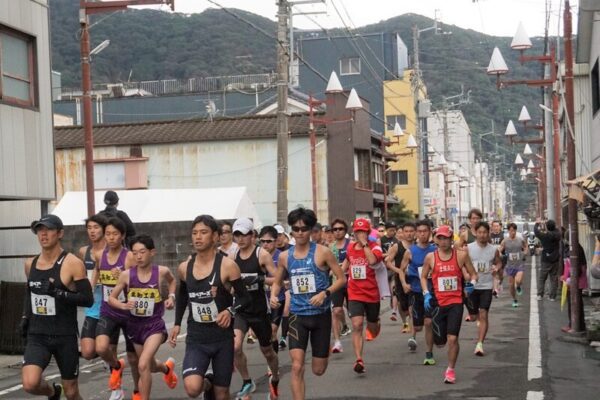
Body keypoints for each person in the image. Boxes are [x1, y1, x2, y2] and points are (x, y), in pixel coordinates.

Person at [169, 215, 251, 400]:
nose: (198, 237)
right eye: (194, 233)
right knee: (192, 388)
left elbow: (245, 298)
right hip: (197, 338)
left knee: (222, 395)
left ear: (215, 237)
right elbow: (182, 296)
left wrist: (230, 311)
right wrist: (176, 324)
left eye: (203, 233)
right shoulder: (184, 268)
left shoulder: (228, 266)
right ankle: (208, 384)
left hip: (222, 338)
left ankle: (214, 386)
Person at [270, 207, 346, 400]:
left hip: (320, 316)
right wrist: (273, 295)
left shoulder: (323, 252)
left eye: (304, 229)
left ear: (311, 230)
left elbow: (341, 279)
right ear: (291, 231)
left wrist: (325, 293)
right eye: (296, 229)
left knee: (318, 369)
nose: (300, 233)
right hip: (297, 316)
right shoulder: (285, 257)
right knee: (296, 366)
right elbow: (277, 281)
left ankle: (324, 351)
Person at [22, 215, 94, 400]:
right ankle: (52, 392)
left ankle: (62, 392)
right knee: (30, 383)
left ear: (60, 233)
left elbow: (87, 299)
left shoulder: (73, 263)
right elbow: (30, 294)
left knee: (71, 392)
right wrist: (25, 318)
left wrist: (57, 293)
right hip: (37, 334)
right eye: (39, 230)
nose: (43, 234)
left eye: (48, 229)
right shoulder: (30, 264)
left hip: (64, 334)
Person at [108, 234, 178, 400]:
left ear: (152, 252)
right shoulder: (126, 275)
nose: (138, 256)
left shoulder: (162, 271)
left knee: (142, 364)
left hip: (154, 325)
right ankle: (167, 369)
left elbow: (172, 281)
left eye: (142, 252)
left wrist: (171, 297)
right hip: (134, 326)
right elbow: (111, 298)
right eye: (134, 253)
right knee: (150, 365)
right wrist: (123, 305)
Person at [230, 217, 281, 400]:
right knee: (235, 347)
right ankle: (246, 381)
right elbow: (227, 281)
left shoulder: (262, 255)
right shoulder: (232, 255)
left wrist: (258, 279)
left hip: (259, 311)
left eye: (244, 234)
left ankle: (274, 378)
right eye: (237, 235)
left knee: (267, 351)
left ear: (252, 235)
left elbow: (278, 279)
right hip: (241, 310)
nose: (240, 239)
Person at [420, 225, 478, 384]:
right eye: (440, 238)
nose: (443, 241)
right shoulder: (431, 257)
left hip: (456, 302)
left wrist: (471, 284)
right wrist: (426, 294)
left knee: (452, 339)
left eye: (446, 238)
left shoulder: (461, 255)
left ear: (452, 239)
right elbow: (424, 277)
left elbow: (473, 274)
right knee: (440, 343)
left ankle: (450, 370)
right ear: (436, 240)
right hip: (438, 303)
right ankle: (439, 345)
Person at [77, 215, 126, 400]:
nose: (92, 231)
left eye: (96, 227)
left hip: (111, 306)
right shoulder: (84, 251)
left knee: (105, 348)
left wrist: (117, 277)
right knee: (89, 352)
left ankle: (116, 387)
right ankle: (113, 364)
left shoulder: (113, 250)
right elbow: (81, 274)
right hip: (93, 306)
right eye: (89, 227)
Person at [94, 218, 140, 397]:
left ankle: (137, 391)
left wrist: (124, 276)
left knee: (134, 358)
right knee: (102, 348)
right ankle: (116, 374)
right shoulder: (99, 255)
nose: (111, 237)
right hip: (108, 309)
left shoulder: (129, 257)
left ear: (123, 236)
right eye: (107, 234)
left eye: (115, 234)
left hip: (128, 312)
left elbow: (141, 281)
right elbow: (98, 273)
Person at [343, 218, 384, 373]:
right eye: (357, 231)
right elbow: (346, 265)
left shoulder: (376, 248)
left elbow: (373, 261)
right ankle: (359, 359)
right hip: (354, 292)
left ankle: (376, 324)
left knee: (372, 327)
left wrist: (365, 244)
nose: (360, 234)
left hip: (372, 293)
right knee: (357, 325)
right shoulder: (350, 248)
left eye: (363, 231)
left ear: (368, 232)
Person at [399, 220, 437, 364]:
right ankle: (416, 334)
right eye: (419, 231)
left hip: (431, 291)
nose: (422, 234)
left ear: (430, 233)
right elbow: (401, 270)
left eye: (425, 231)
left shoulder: (435, 251)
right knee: (418, 326)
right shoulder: (410, 252)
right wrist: (404, 283)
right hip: (415, 291)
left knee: (428, 322)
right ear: (416, 233)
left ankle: (429, 353)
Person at [466, 221, 501, 356]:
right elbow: (462, 263)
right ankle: (474, 318)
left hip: (487, 286)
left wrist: (496, 268)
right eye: (479, 232)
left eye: (484, 232)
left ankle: (480, 344)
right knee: (474, 316)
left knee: (484, 314)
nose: (482, 235)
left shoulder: (493, 249)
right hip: (472, 286)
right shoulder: (468, 248)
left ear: (488, 233)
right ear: (475, 233)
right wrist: (466, 274)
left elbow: (498, 262)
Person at [259, 226, 289, 359]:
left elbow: (282, 281)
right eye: (263, 241)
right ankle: (272, 358)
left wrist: (263, 279)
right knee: (263, 335)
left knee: (273, 330)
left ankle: (273, 363)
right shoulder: (257, 256)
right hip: (260, 299)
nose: (265, 244)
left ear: (276, 241)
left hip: (278, 297)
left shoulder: (281, 257)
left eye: (269, 241)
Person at [386, 222, 416, 333]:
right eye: (406, 231)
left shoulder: (418, 246)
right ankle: (405, 322)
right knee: (401, 304)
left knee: (412, 306)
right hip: (400, 278)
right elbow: (388, 262)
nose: (409, 234)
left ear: (415, 232)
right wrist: (398, 270)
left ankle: (412, 330)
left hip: (414, 279)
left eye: (411, 231)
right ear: (402, 233)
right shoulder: (396, 246)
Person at [329, 218, 352, 354]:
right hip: (336, 283)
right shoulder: (329, 248)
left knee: (353, 314)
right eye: (335, 229)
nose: (337, 232)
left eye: (340, 229)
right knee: (336, 311)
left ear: (345, 230)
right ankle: (337, 342)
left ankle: (347, 327)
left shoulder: (352, 245)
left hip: (352, 282)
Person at [561, 242, 587, 333]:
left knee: (573, 302)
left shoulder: (573, 250)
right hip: (577, 279)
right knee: (578, 302)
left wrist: (567, 278)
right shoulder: (577, 247)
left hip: (575, 280)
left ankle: (573, 325)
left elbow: (574, 268)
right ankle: (579, 325)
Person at [499, 223, 527, 307]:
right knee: (511, 286)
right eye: (511, 231)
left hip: (519, 264)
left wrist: (524, 253)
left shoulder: (520, 239)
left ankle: (518, 286)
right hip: (510, 265)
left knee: (518, 280)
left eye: (514, 230)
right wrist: (501, 254)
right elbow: (500, 249)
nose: (513, 232)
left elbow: (525, 247)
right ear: (508, 231)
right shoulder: (505, 241)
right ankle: (514, 299)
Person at [534, 219, 562, 301]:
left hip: (545, 259)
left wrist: (537, 224)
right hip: (555, 259)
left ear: (547, 227)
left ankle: (540, 295)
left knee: (542, 278)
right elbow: (557, 230)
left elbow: (536, 232)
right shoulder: (558, 235)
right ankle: (552, 296)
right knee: (553, 278)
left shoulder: (544, 236)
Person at [490, 220, 505, 298]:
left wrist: (499, 251)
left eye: (497, 226)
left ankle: (499, 283)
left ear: (500, 227)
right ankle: (495, 290)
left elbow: (503, 245)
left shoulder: (503, 235)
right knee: (494, 273)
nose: (496, 228)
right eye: (494, 226)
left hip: (501, 256)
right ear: (492, 227)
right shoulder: (489, 235)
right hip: (492, 257)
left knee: (501, 274)